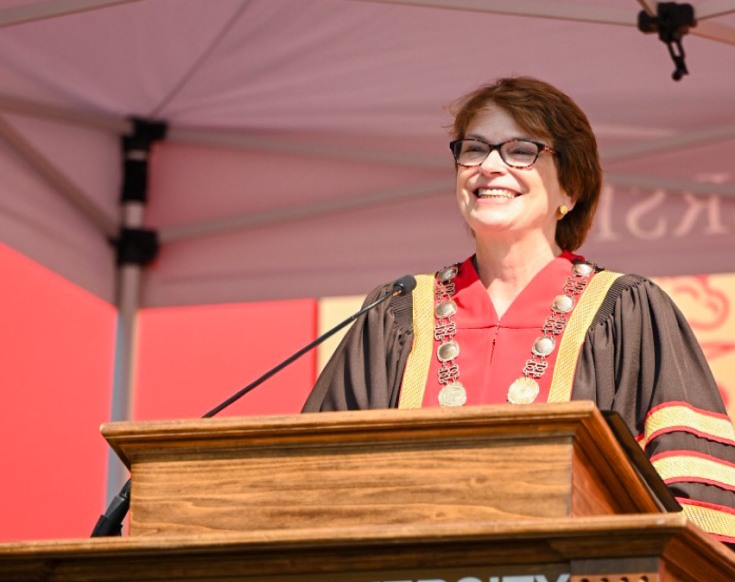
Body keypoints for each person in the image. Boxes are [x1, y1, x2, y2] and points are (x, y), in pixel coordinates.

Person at [303, 76, 735, 545]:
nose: (489, 166)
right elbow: (314, 483)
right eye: (474, 149)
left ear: (570, 188)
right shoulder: (394, 316)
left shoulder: (627, 313)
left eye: (520, 150)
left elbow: (698, 508)